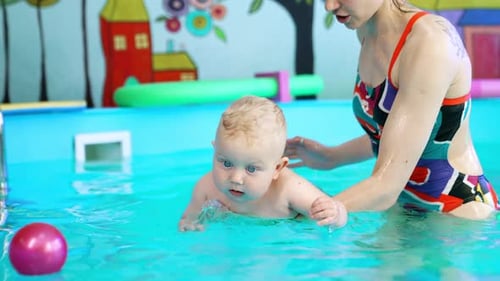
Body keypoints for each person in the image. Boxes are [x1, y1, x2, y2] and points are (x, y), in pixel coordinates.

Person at [285, 0, 499, 220]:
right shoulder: (367, 30)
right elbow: (397, 138)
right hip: (404, 205)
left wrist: (312, 214)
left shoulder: (431, 43)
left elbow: (387, 186)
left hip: (455, 211)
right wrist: (331, 157)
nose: (329, 6)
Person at [178, 95, 348, 231]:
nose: (236, 178)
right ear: (215, 152)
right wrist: (190, 224)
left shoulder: (289, 190)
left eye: (251, 168)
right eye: (227, 163)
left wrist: (336, 214)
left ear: (277, 168)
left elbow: (335, 212)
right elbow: (190, 218)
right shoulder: (206, 188)